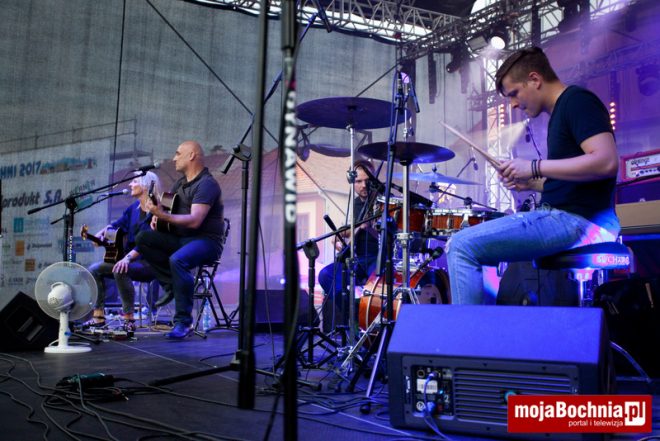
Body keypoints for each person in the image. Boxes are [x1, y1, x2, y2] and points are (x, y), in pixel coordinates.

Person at [446, 46, 620, 305]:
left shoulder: (577, 101)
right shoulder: (560, 112)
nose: (513, 104)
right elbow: (575, 183)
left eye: (514, 94)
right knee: (473, 247)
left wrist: (535, 166)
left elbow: (606, 162)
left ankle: (468, 332)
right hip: (576, 219)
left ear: (535, 79)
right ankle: (486, 324)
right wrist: (529, 183)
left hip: (579, 221)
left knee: (461, 246)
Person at [137, 140, 224, 339]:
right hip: (182, 239)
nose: (174, 158)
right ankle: (171, 286)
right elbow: (168, 210)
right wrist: (157, 218)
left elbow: (194, 221)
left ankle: (184, 323)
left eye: (178, 153)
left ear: (191, 155)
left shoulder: (207, 184)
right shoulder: (180, 184)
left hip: (207, 241)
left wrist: (162, 215)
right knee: (144, 238)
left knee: (178, 259)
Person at [85, 171, 162, 332]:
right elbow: (115, 226)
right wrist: (99, 235)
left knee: (120, 268)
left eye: (134, 181)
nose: (130, 185)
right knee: (94, 269)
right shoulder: (132, 209)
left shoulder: (157, 210)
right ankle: (98, 317)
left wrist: (126, 259)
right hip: (130, 260)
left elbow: (147, 243)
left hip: (150, 263)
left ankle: (129, 319)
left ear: (145, 185)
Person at [319, 161, 380, 332]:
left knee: (375, 286)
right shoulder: (356, 203)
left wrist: (370, 229)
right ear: (352, 182)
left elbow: (391, 236)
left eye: (367, 180)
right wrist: (339, 235)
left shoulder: (383, 201)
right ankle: (353, 315)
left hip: (377, 258)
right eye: (358, 181)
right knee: (326, 275)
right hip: (357, 259)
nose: (363, 185)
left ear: (375, 179)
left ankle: (372, 327)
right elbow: (354, 227)